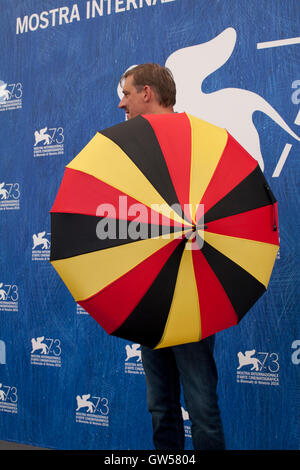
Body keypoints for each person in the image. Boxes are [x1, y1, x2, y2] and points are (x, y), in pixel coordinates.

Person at [118, 63, 226, 451]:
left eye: (127, 93)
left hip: (193, 295)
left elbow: (220, 206)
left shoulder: (200, 138)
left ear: (147, 93)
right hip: (151, 295)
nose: (121, 104)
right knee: (161, 408)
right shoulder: (128, 147)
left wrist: (190, 222)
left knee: (201, 409)